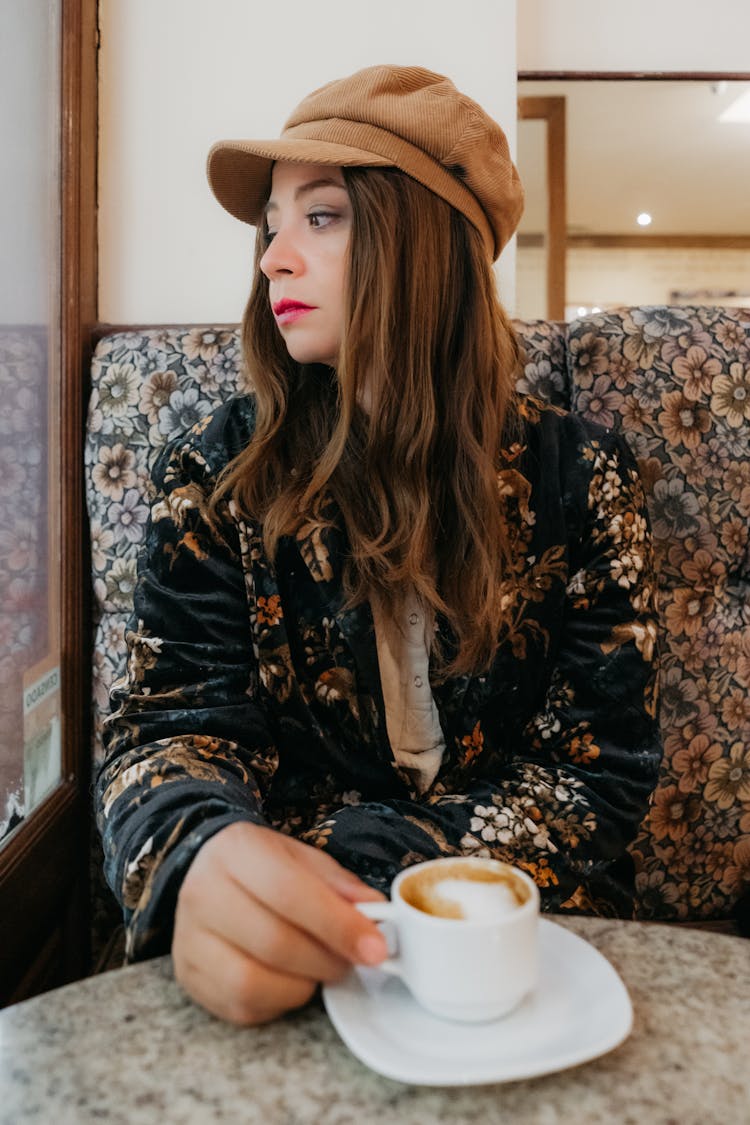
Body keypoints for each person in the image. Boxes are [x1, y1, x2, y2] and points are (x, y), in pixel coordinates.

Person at [96, 64, 662, 1026]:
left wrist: (345, 855)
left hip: (531, 954)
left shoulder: (583, 476)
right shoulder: (216, 473)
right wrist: (201, 859)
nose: (273, 257)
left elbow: (596, 770)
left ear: (426, 241)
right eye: (272, 224)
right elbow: (168, 728)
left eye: (321, 216)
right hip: (285, 954)